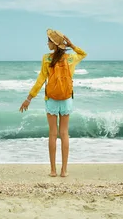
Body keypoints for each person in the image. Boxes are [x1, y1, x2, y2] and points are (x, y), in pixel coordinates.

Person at [19, 29, 87, 177]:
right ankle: (64, 171)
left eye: (49, 41)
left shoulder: (46, 59)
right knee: (64, 134)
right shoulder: (70, 59)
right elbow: (83, 54)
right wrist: (71, 45)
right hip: (67, 99)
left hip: (51, 100)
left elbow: (41, 80)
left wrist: (29, 98)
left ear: (55, 44)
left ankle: (53, 171)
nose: (47, 43)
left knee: (52, 134)